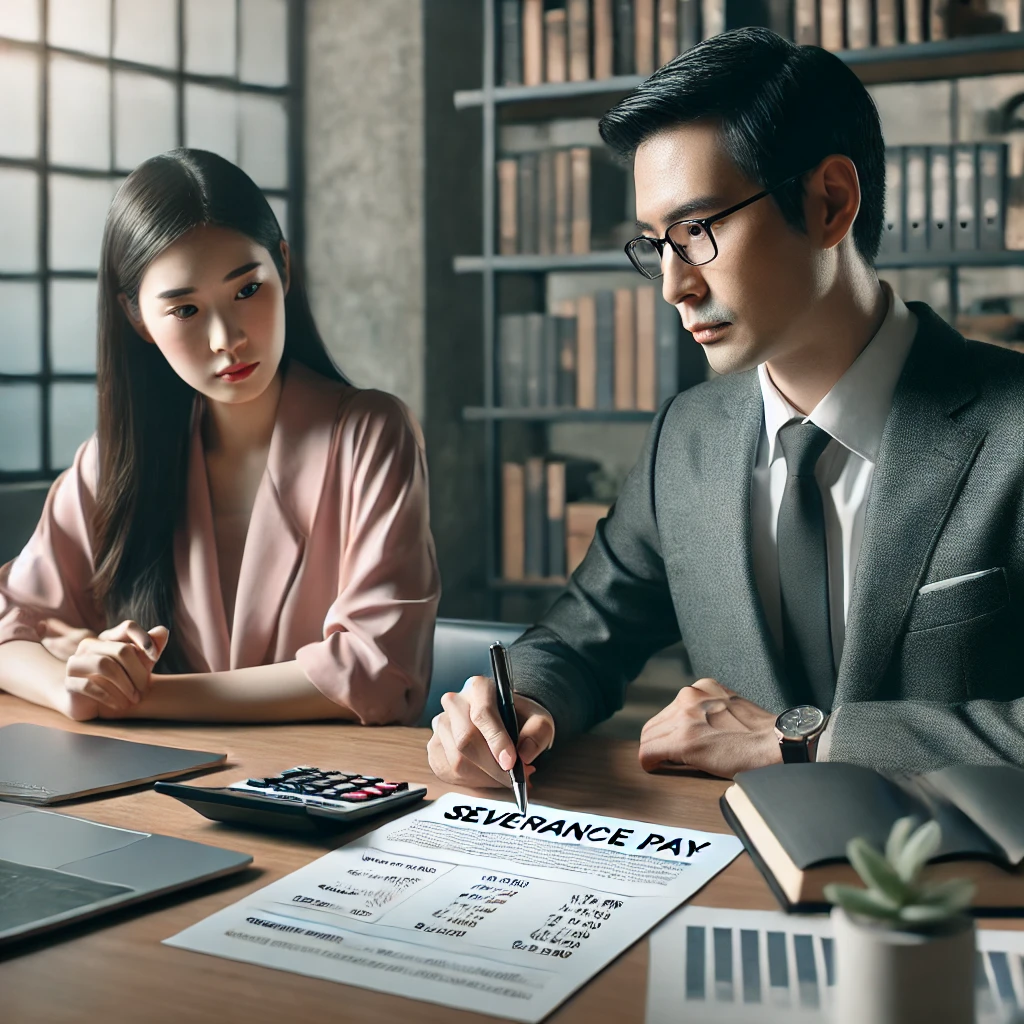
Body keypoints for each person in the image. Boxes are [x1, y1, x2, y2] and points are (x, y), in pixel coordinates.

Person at [428, 27, 1024, 788]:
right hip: (730, 874)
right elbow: (580, 638)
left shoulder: (1011, 429)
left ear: (831, 203)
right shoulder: (688, 438)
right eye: (655, 244)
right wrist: (519, 703)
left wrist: (805, 740)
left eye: (698, 231)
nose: (674, 286)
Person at [0, 149, 440, 724]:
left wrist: (140, 696)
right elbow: (12, 622)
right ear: (139, 320)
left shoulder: (370, 435)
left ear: (283, 267)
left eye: (247, 290)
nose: (225, 339)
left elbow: (379, 669)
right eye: (184, 310)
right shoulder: (112, 463)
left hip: (329, 789)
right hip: (160, 791)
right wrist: (71, 685)